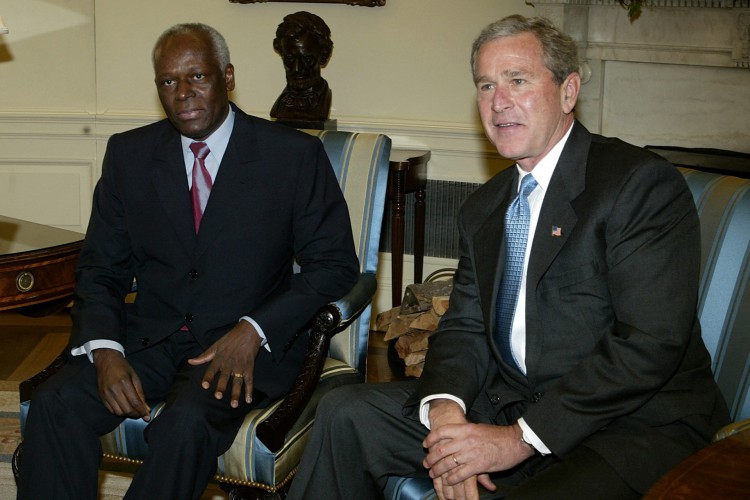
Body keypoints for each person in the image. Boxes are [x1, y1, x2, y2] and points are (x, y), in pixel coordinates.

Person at [287, 14, 730, 500]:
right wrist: (446, 410)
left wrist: (520, 439)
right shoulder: (486, 206)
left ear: (568, 91)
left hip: (630, 427)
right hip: (511, 402)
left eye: (517, 80)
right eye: (485, 85)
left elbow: (649, 344)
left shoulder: (638, 185)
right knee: (345, 414)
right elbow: (465, 326)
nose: (498, 102)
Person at [17, 22, 358, 500]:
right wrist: (106, 350)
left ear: (228, 76)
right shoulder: (129, 155)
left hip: (241, 345)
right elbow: (101, 268)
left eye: (197, 76)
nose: (182, 93)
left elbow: (335, 265)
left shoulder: (291, 156)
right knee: (56, 402)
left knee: (185, 424)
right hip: (148, 336)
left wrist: (253, 331)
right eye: (168, 81)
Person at [270, 11, 333, 123]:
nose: (297, 68)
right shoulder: (279, 107)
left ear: (323, 55)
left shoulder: (322, 102)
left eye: (307, 59)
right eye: (289, 58)